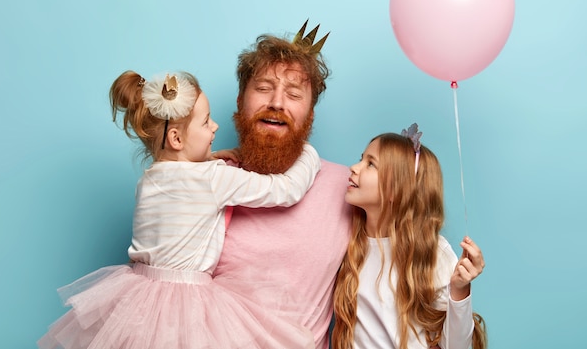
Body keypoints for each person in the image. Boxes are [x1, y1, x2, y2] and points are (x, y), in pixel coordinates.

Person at [38, 70, 322, 349]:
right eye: (206, 122)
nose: (215, 127)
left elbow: (184, 180)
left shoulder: (149, 179)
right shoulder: (213, 178)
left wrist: (210, 157)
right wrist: (307, 152)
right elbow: (285, 190)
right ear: (176, 139)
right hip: (189, 299)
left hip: (138, 294)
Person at [213, 20, 353, 349]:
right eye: (263, 88)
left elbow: (404, 255)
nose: (277, 103)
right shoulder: (208, 181)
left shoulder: (347, 188)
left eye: (293, 94)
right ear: (239, 101)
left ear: (311, 114)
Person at [332, 124, 488, 349]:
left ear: (397, 188)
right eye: (361, 158)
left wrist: (459, 290)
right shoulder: (348, 241)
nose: (354, 168)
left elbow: (456, 346)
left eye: (371, 164)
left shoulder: (431, 252)